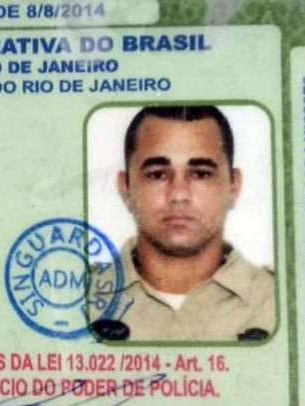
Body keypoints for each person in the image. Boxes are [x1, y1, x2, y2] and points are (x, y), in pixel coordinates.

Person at [90, 106, 275, 341]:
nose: (178, 195)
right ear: (125, 187)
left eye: (200, 174)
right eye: (157, 174)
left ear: (234, 185)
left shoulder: (284, 299)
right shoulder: (73, 299)